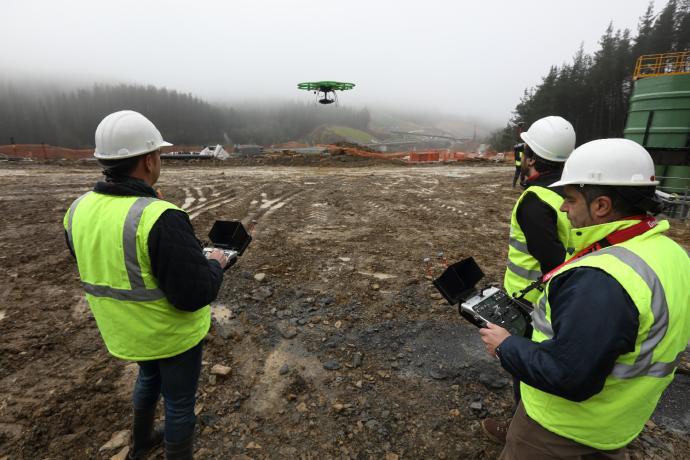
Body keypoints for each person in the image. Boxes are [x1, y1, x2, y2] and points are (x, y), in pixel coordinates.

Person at [479, 138, 690, 458]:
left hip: (560, 430)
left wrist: (506, 345)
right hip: (617, 420)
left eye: (571, 199)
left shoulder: (601, 280)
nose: (563, 208)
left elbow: (568, 375)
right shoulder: (672, 253)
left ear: (601, 205)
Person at [63, 110, 230, 459]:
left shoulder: (78, 209)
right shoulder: (159, 216)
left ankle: (140, 445)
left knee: (148, 379)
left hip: (124, 331)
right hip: (170, 335)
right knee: (180, 404)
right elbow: (194, 294)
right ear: (150, 159)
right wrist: (214, 263)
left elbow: (102, 261)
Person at [482, 116, 577, 442]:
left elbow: (554, 262)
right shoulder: (572, 193)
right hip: (559, 301)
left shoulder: (535, 201)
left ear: (533, 158)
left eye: (524, 151)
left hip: (533, 304)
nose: (520, 157)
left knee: (525, 367)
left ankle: (523, 432)